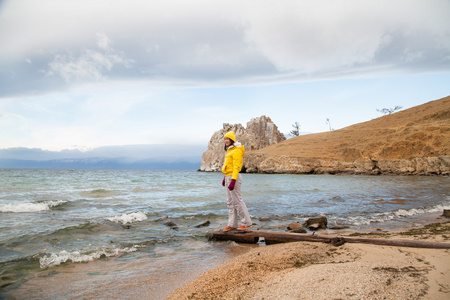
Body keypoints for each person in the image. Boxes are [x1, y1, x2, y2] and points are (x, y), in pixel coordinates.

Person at [221, 131, 252, 231]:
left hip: (234, 177)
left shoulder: (237, 150)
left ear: (232, 140)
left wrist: (233, 180)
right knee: (230, 202)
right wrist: (225, 178)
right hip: (228, 177)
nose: (226, 140)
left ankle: (247, 223)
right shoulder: (229, 150)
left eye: (228, 139)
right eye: (225, 139)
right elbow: (228, 167)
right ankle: (232, 224)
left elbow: (236, 167)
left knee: (237, 200)